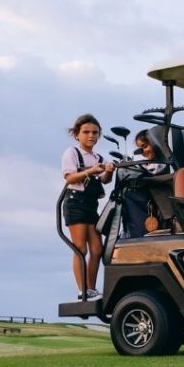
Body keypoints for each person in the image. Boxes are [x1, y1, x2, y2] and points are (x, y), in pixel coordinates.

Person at [61, 113, 114, 298]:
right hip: (75, 202)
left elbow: (105, 181)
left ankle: (90, 288)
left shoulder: (98, 156)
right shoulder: (72, 153)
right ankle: (82, 289)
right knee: (80, 248)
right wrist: (91, 171)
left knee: (97, 249)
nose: (91, 136)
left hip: (91, 205)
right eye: (86, 132)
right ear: (77, 134)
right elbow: (69, 177)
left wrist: (108, 171)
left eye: (95, 132)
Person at [121, 130, 169, 237]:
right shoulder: (149, 165)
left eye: (145, 146)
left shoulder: (163, 164)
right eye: (140, 149)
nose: (144, 151)